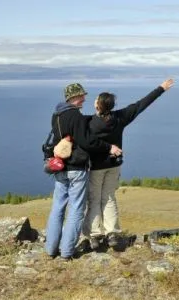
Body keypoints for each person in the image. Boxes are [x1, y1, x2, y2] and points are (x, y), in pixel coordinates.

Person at [83, 78, 175, 249]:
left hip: (96, 167)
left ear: (98, 106)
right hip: (114, 165)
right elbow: (142, 104)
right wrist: (161, 88)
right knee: (109, 197)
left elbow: (84, 139)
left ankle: (95, 236)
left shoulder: (89, 124)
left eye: (96, 99)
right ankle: (112, 234)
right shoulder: (120, 117)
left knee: (94, 199)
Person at [45, 83, 122, 261]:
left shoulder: (56, 115)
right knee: (76, 210)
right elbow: (87, 142)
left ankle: (50, 249)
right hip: (76, 169)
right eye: (81, 96)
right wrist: (108, 147)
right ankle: (66, 252)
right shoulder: (76, 116)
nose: (84, 99)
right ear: (73, 98)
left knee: (57, 208)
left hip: (60, 168)